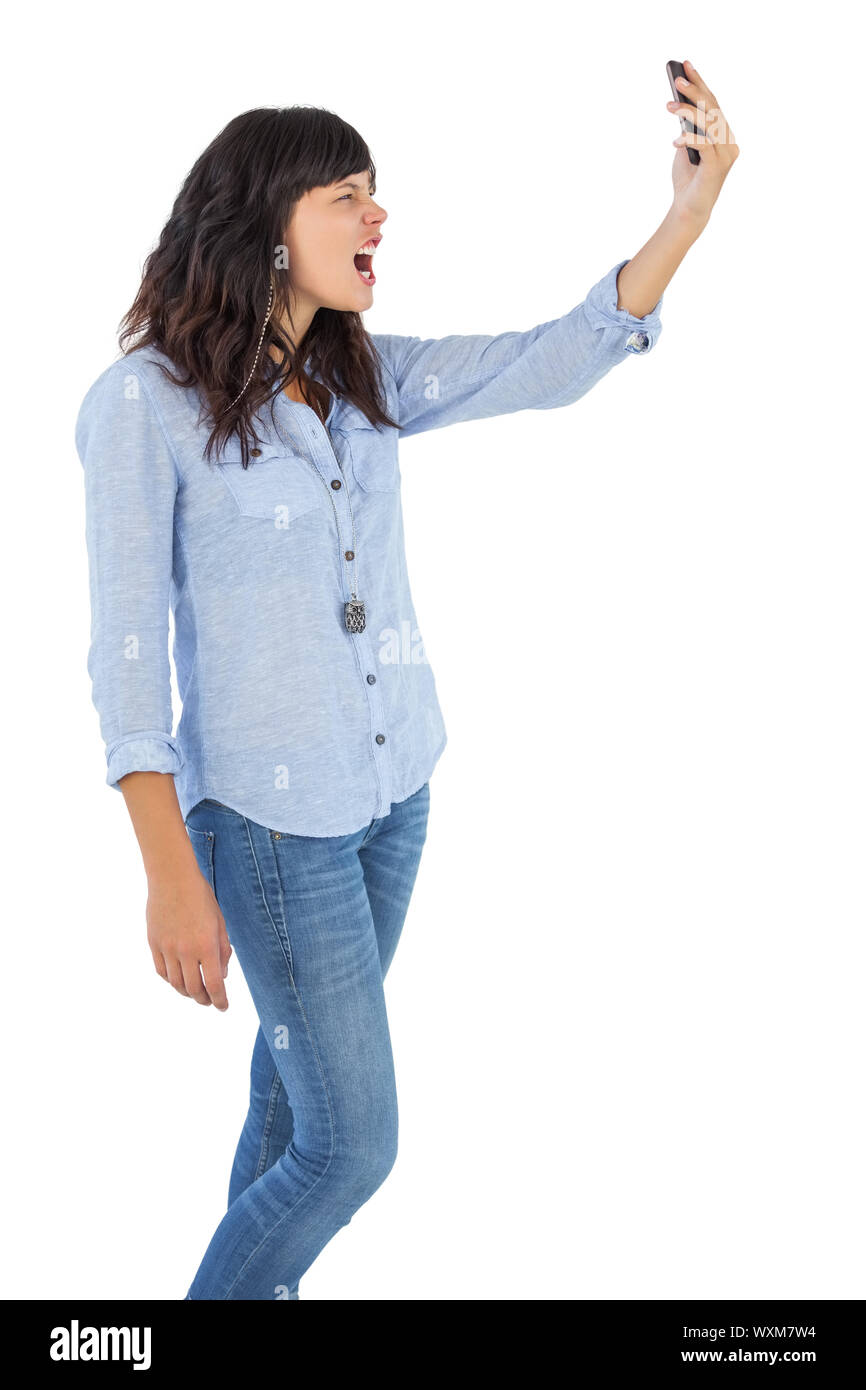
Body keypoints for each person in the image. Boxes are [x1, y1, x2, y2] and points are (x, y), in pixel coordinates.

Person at [74, 66, 738, 1300]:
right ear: (267, 226)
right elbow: (123, 657)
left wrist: (686, 217)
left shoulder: (362, 379)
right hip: (268, 829)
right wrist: (169, 870)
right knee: (351, 1146)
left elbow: (550, 359)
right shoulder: (140, 407)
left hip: (393, 793)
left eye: (376, 193)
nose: (378, 217)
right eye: (346, 195)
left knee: (294, 1106)